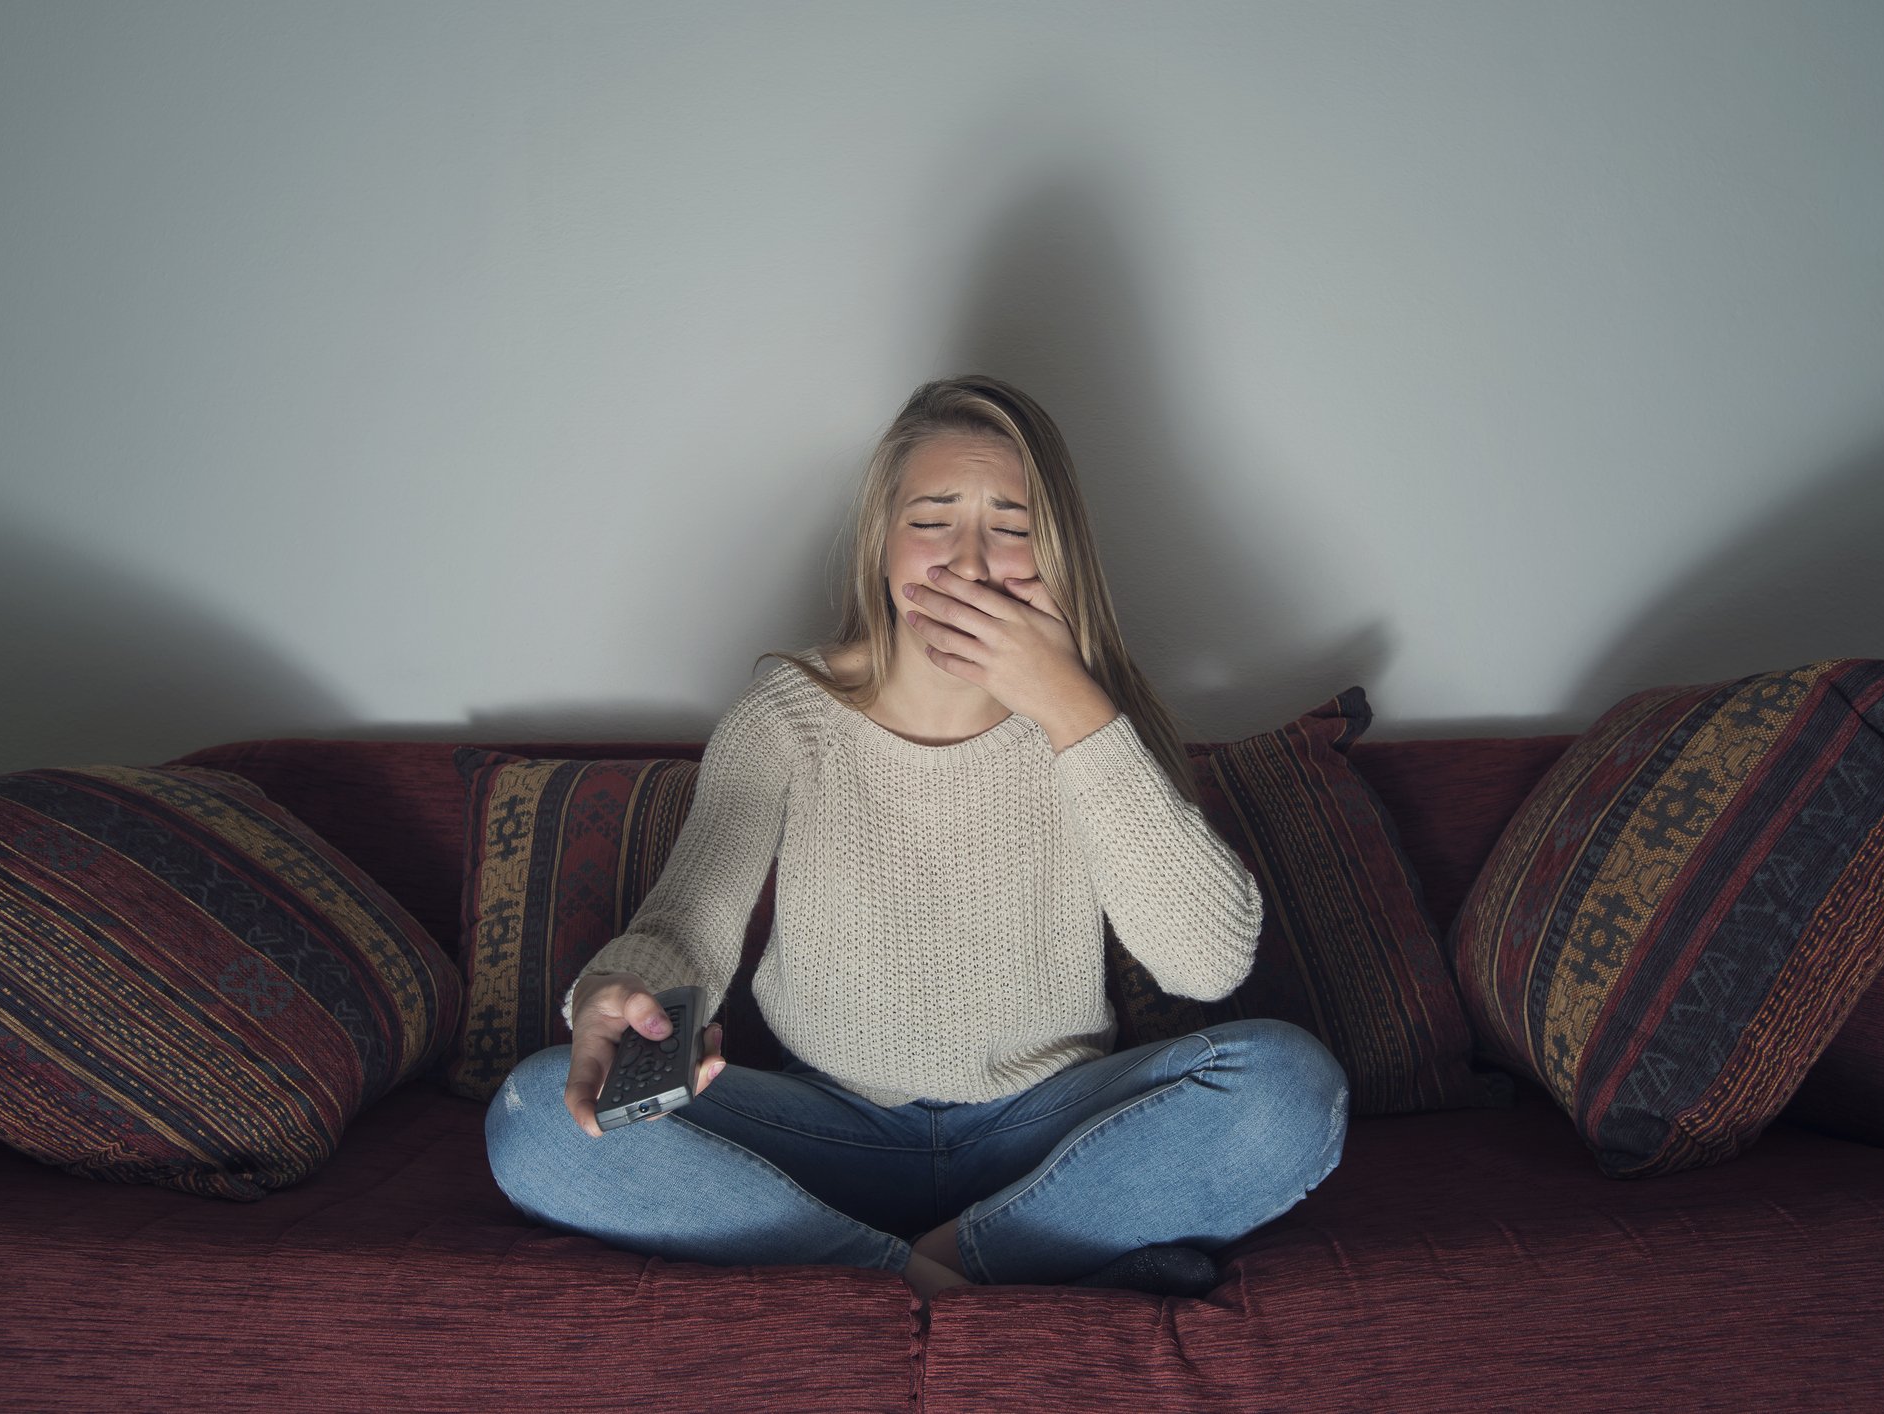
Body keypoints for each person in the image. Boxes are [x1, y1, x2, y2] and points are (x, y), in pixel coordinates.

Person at [484, 375, 1350, 1308]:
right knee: (533, 1118)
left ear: (1057, 555)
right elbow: (693, 910)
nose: (970, 560)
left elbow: (1206, 967)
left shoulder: (1090, 722)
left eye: (1011, 526)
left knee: (1293, 1091)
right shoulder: (787, 711)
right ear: (882, 540)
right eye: (933, 519)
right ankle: (964, 1273)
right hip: (831, 1126)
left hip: (1047, 1130)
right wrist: (627, 992)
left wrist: (1068, 706)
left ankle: (908, 1273)